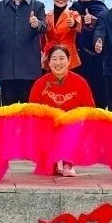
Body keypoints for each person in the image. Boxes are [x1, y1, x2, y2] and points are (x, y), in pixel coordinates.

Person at [29, 45, 95, 177]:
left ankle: (68, 161)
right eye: (54, 59)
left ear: (69, 60)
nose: (58, 63)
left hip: (72, 129)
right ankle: (51, 160)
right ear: (48, 63)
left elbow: (90, 110)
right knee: (47, 171)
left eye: (61, 58)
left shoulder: (80, 82)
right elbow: (32, 112)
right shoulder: (39, 84)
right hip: (47, 130)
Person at [0, 0, 47, 107]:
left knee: (29, 111)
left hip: (30, 70)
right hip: (6, 69)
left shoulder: (38, 6)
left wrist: (37, 24)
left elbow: (44, 27)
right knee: (8, 113)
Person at [71, 0, 109, 109]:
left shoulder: (101, 8)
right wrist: (80, 21)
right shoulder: (73, 9)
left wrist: (93, 22)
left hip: (97, 60)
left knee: (98, 96)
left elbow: (105, 30)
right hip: (77, 59)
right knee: (78, 96)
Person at [43, 0, 83, 69]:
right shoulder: (47, 16)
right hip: (50, 57)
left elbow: (79, 27)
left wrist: (73, 24)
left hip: (69, 58)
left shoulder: (74, 14)